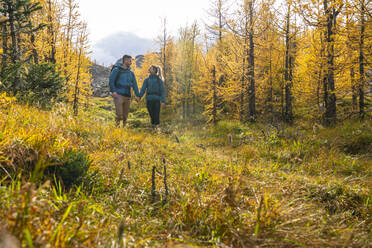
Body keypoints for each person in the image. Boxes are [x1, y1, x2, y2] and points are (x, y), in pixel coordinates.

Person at [109, 55, 140, 127]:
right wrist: (113, 91)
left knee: (125, 116)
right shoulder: (116, 70)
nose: (131, 62)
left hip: (128, 96)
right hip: (118, 94)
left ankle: (124, 129)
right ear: (125, 60)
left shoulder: (131, 73)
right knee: (119, 115)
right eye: (130, 61)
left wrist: (137, 95)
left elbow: (135, 85)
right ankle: (116, 128)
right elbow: (111, 81)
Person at [139, 65, 165, 130]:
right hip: (149, 99)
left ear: (154, 70)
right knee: (151, 113)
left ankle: (156, 127)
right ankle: (153, 127)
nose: (149, 69)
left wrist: (163, 100)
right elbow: (143, 89)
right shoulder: (146, 80)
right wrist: (139, 97)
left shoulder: (159, 80)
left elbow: (162, 91)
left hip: (157, 99)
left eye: (150, 68)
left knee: (156, 113)